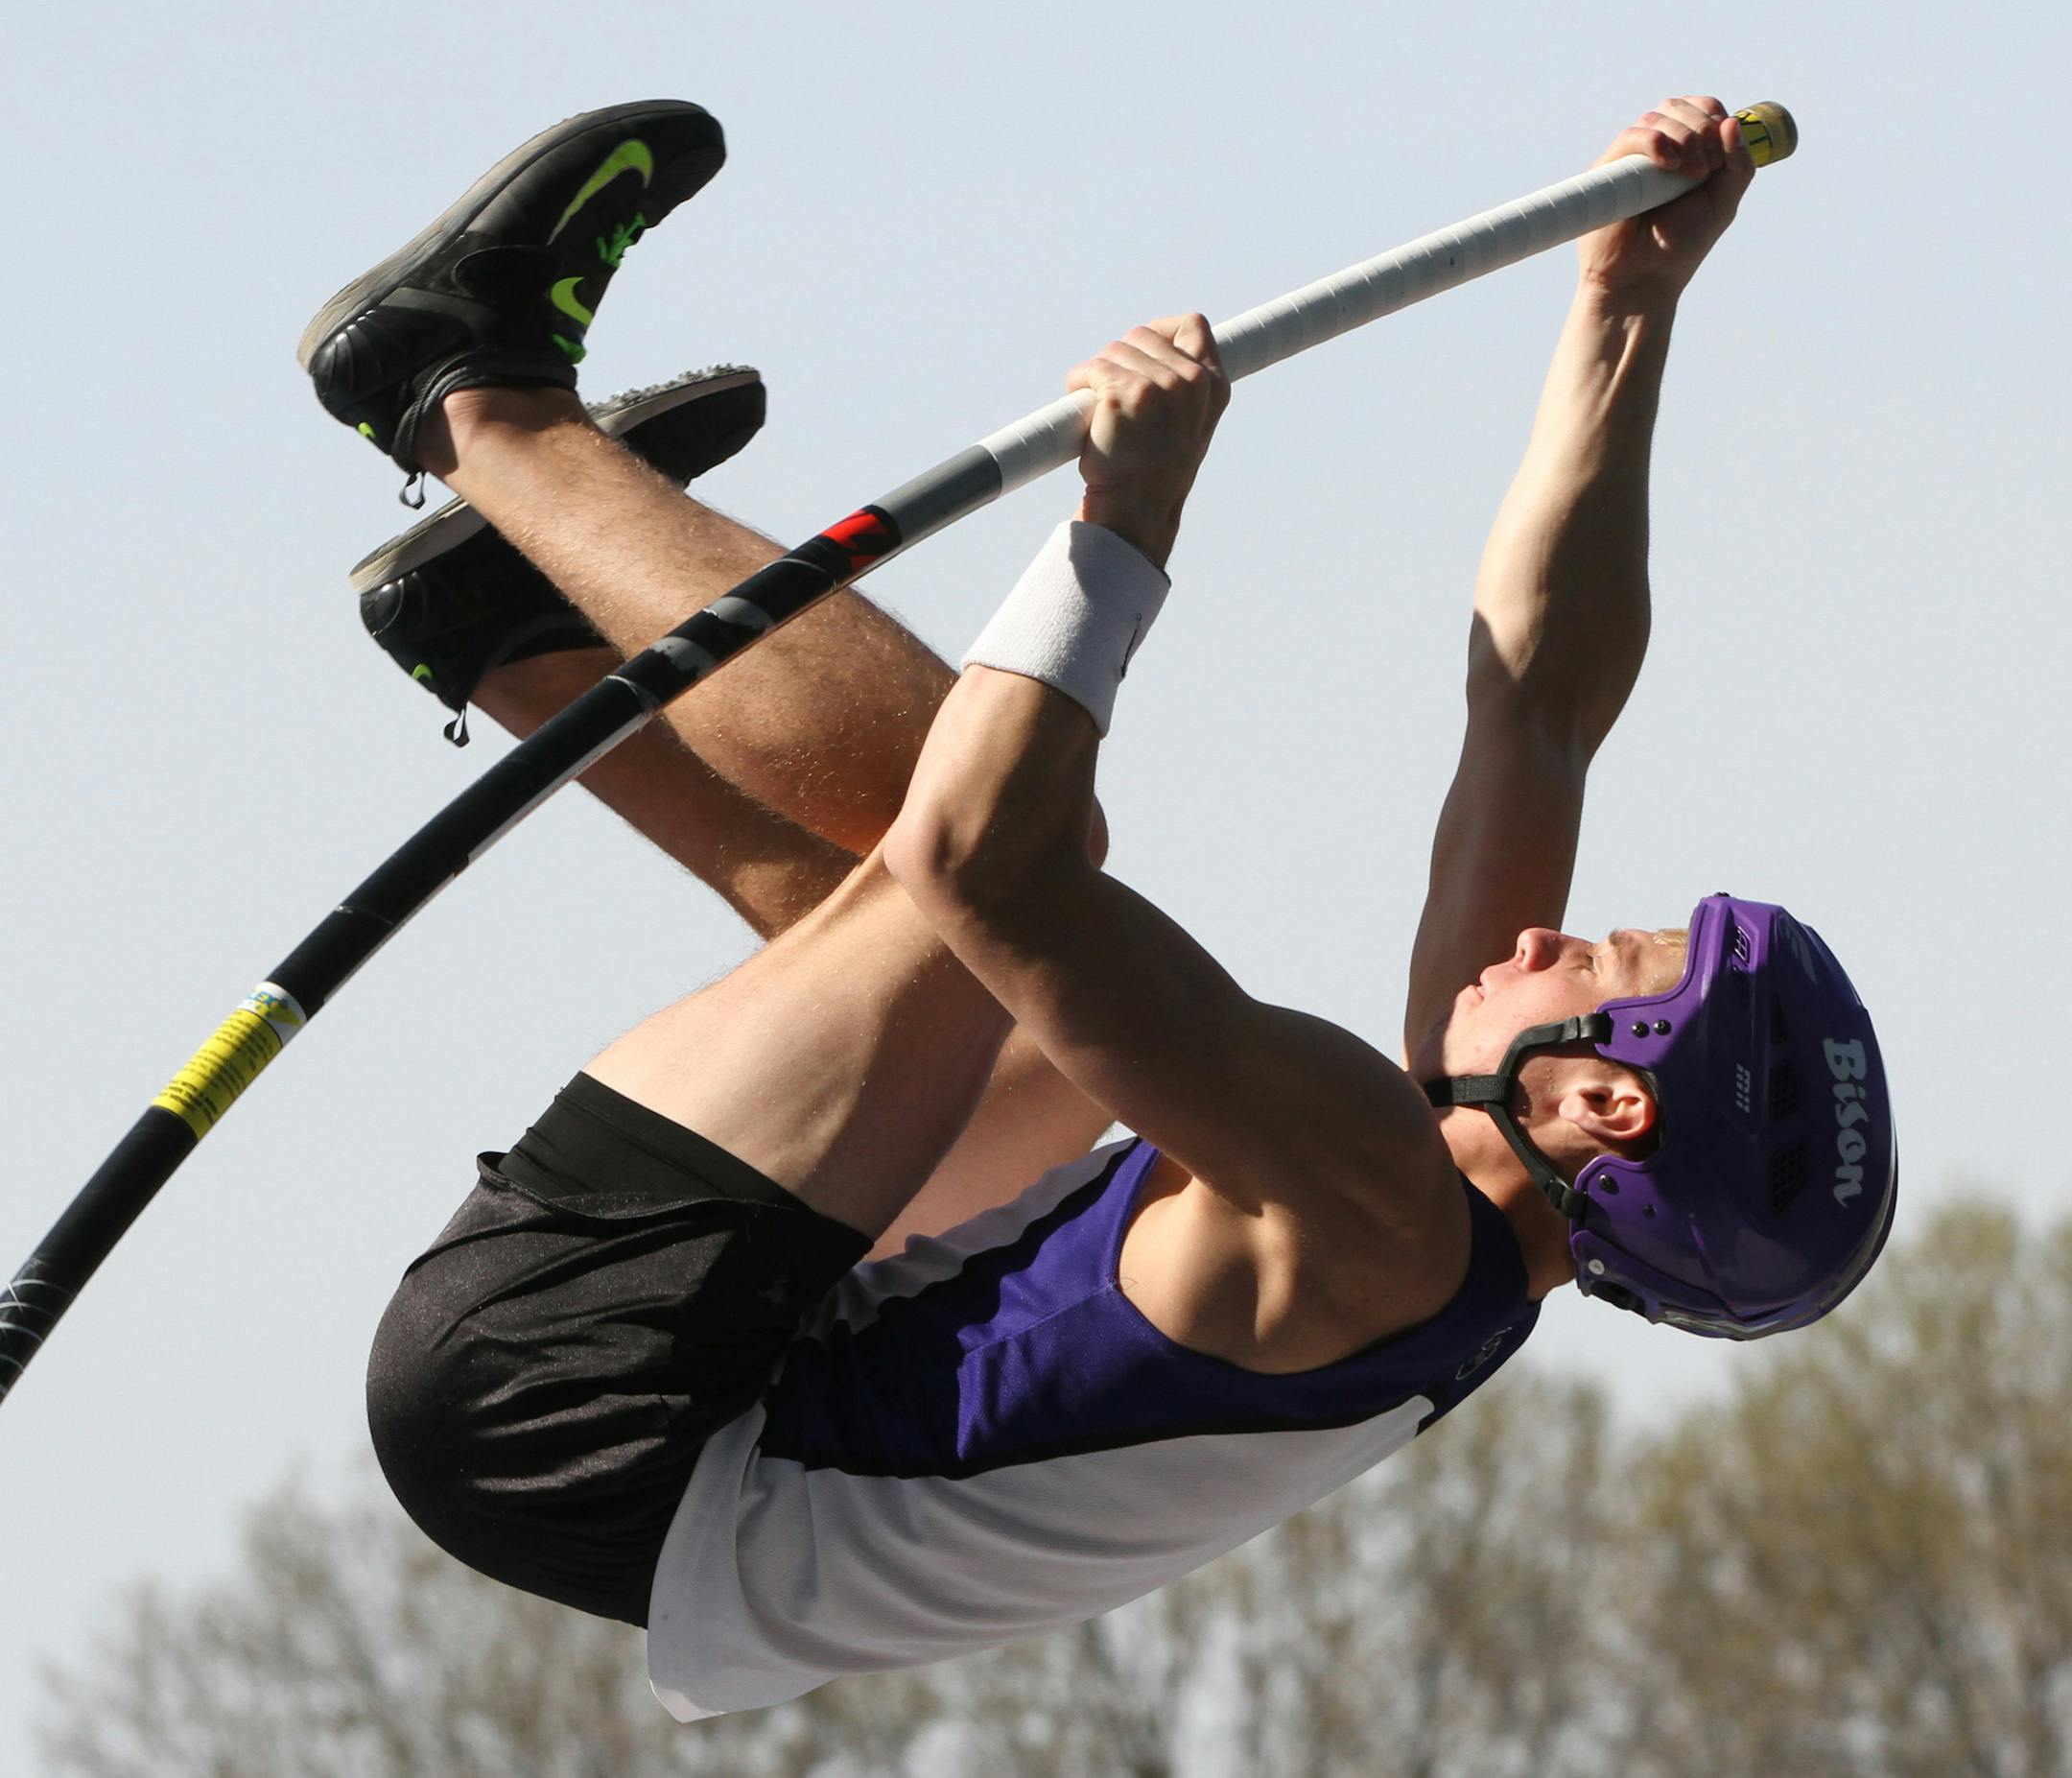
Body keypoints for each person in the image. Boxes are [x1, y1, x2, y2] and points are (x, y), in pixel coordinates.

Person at [320, 95, 1895, 1720]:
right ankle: (525, 631)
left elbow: (977, 856)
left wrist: (1126, 518)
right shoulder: (1455, 1217)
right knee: (1043, 1009)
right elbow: (1540, 707)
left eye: (1603, 956)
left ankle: (469, 392)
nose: (1545, 938)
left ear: (1603, 1099)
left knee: (1002, 834)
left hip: (570, 1392)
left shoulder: (1368, 1203)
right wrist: (1624, 311)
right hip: (669, 1419)